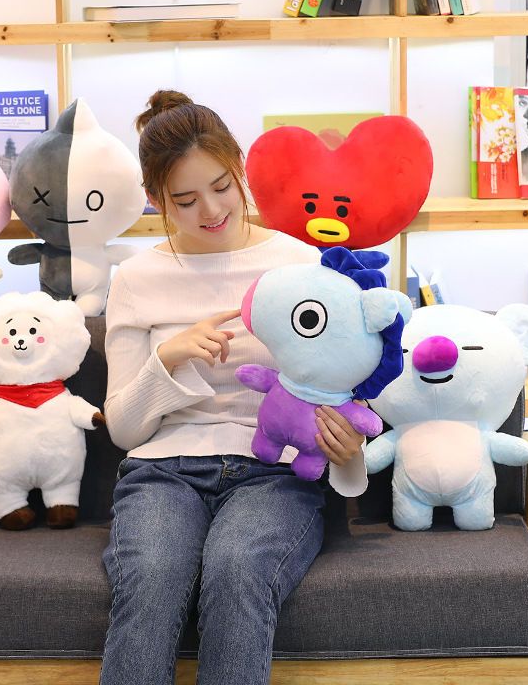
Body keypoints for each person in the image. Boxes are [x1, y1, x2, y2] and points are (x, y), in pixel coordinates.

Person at [99, 90, 368, 685]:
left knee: (238, 566)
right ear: (154, 199)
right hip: (162, 471)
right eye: (185, 200)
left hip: (274, 473)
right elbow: (122, 429)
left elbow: (342, 391)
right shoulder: (136, 278)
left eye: (222, 186)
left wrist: (349, 449)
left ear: (239, 167)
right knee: (152, 576)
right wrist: (168, 359)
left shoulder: (303, 265)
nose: (212, 210)